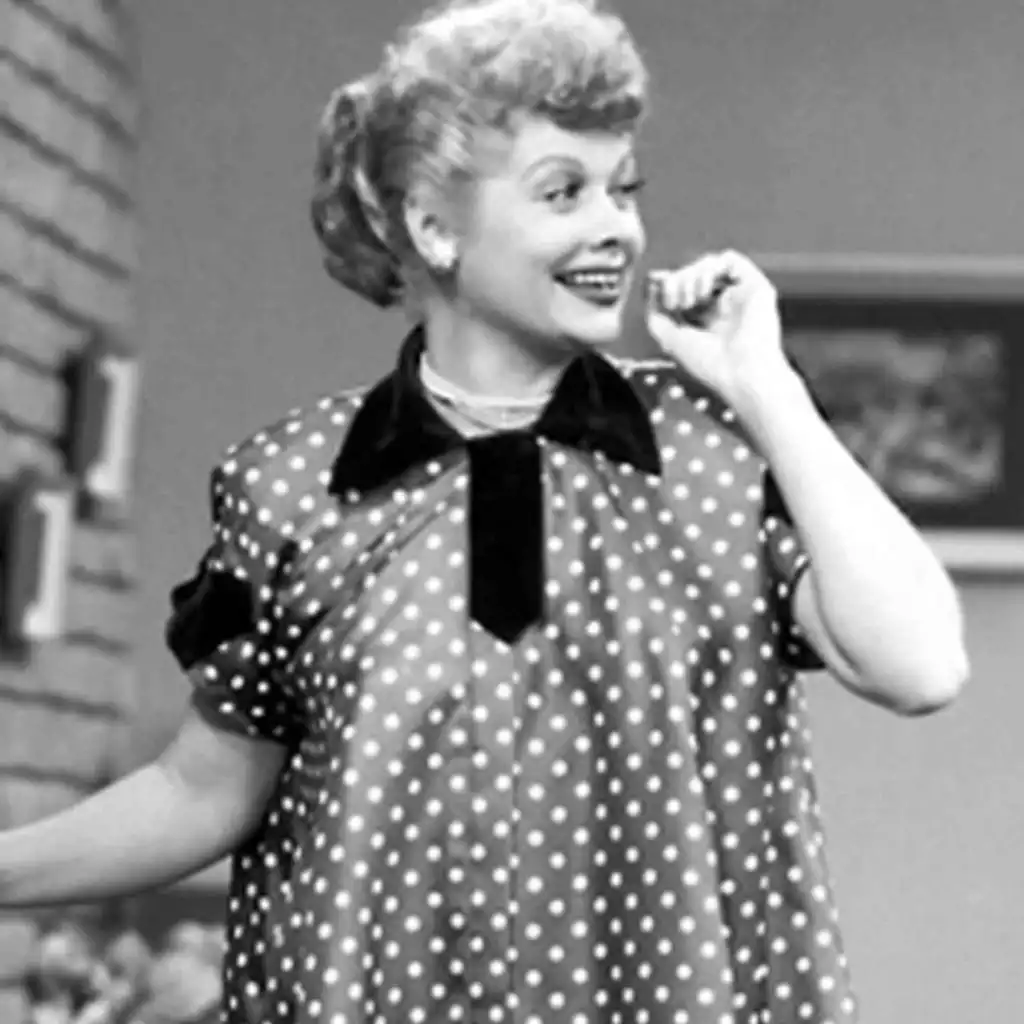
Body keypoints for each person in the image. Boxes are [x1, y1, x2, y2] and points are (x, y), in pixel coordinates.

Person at [0, 0, 968, 1021]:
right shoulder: (290, 486)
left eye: (623, 189)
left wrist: (767, 387)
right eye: (564, 191)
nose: (615, 227)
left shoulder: (718, 449)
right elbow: (205, 791)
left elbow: (918, 667)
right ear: (433, 226)